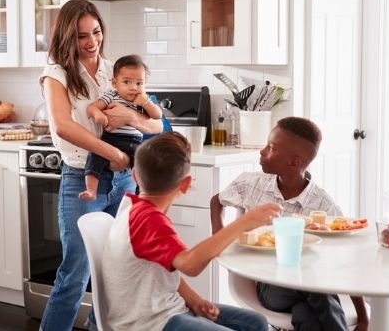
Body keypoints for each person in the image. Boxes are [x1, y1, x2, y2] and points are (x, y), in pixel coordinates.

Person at [38, 0, 163, 331]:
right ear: (67, 37)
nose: (92, 41)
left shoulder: (115, 71)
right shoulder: (56, 74)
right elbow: (63, 125)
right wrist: (111, 152)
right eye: (82, 36)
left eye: (96, 32)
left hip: (122, 181)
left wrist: (133, 118)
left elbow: (158, 125)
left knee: (112, 273)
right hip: (83, 179)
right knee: (75, 274)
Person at [101, 132, 282, 331]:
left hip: (165, 310)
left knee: (256, 322)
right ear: (186, 184)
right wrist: (244, 222)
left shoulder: (133, 206)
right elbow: (190, 264)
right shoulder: (149, 221)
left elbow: (164, 270)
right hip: (151, 324)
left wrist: (194, 301)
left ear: (135, 174)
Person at [210, 117, 370, 331]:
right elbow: (216, 201)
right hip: (268, 284)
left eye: (271, 148)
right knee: (316, 288)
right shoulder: (251, 183)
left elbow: (347, 257)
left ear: (294, 162)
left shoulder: (322, 205)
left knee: (305, 313)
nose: (262, 151)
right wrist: (218, 239)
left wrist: (363, 318)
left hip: (308, 282)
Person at [78, 54, 162, 200]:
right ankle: (91, 190)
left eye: (139, 83)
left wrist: (146, 102)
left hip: (134, 143)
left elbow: (158, 116)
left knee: (144, 163)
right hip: (111, 140)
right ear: (115, 83)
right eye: (127, 82)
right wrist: (98, 115)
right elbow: (91, 108)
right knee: (94, 156)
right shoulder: (112, 95)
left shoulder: (142, 100)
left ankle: (143, 194)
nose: (134, 88)